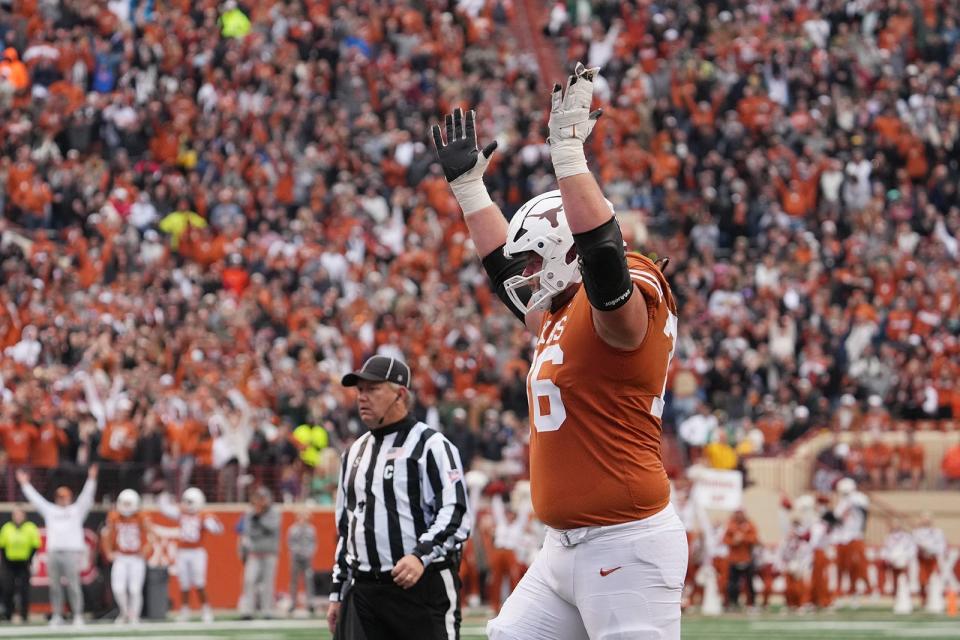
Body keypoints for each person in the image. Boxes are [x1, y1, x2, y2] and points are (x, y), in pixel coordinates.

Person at [432, 62, 687, 639]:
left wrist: (568, 155)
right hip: (561, 550)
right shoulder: (560, 309)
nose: (522, 277)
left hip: (625, 542)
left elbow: (603, 259)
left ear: (564, 252)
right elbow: (507, 275)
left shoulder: (627, 296)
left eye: (533, 262)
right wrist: (471, 191)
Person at [327, 355, 471, 640]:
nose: (362, 398)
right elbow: (347, 528)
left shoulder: (432, 445)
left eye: (372, 389)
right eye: (360, 391)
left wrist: (420, 556)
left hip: (420, 587)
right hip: (365, 591)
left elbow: (456, 512)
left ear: (400, 394)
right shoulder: (354, 453)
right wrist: (338, 590)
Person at [15, 464, 97, 627]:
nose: (62, 499)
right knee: (55, 587)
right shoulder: (51, 510)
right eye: (60, 497)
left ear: (70, 497)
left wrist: (91, 480)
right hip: (54, 552)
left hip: (71, 553)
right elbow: (36, 500)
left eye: (65, 496)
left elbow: (86, 497)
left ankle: (77, 615)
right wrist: (25, 484)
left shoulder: (76, 510)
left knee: (74, 586)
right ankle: (57, 615)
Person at [159, 487, 224, 622]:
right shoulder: (181, 514)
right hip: (183, 552)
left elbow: (218, 530)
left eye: (188, 501)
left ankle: (206, 609)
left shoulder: (203, 516)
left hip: (197, 552)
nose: (185, 504)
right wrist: (163, 497)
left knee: (199, 583)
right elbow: (164, 509)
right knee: (184, 584)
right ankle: (185, 611)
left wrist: (211, 521)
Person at [101, 489, 152, 625]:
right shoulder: (114, 516)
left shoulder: (141, 517)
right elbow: (105, 534)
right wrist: (108, 552)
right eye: (125, 503)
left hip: (136, 557)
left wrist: (146, 549)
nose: (127, 507)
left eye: (129, 504)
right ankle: (124, 612)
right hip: (121, 556)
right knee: (118, 588)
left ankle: (134, 616)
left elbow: (151, 536)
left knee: (135, 589)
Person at [238, 486, 280, 620]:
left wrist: (260, 519)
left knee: (268, 583)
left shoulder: (274, 512)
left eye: (263, 498)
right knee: (249, 581)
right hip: (254, 553)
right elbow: (249, 532)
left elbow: (272, 528)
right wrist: (259, 522)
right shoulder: (250, 513)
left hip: (269, 553)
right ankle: (248, 611)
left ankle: (267, 611)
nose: (260, 501)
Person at [0, 506, 40, 622]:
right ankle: (8, 614)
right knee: (8, 589)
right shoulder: (7, 528)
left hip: (24, 563)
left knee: (24, 590)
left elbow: (35, 545)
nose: (17, 517)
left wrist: (29, 559)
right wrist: (5, 560)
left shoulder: (30, 527)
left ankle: (24, 615)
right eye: (15, 515)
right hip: (9, 563)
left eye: (19, 514)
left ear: (24, 516)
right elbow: (2, 546)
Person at [722, 508, 759, 610]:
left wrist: (743, 538)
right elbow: (725, 539)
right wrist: (734, 541)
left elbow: (755, 539)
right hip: (734, 560)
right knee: (733, 584)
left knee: (750, 583)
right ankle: (733, 603)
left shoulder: (750, 524)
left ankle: (751, 603)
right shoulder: (730, 525)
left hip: (747, 559)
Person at [287, 508, 318, 615]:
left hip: (307, 559)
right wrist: (298, 552)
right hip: (295, 558)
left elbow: (314, 543)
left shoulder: (311, 529)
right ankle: (292, 603)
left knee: (308, 580)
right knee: (293, 581)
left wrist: (308, 553)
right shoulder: (292, 529)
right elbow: (290, 543)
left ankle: (310, 603)